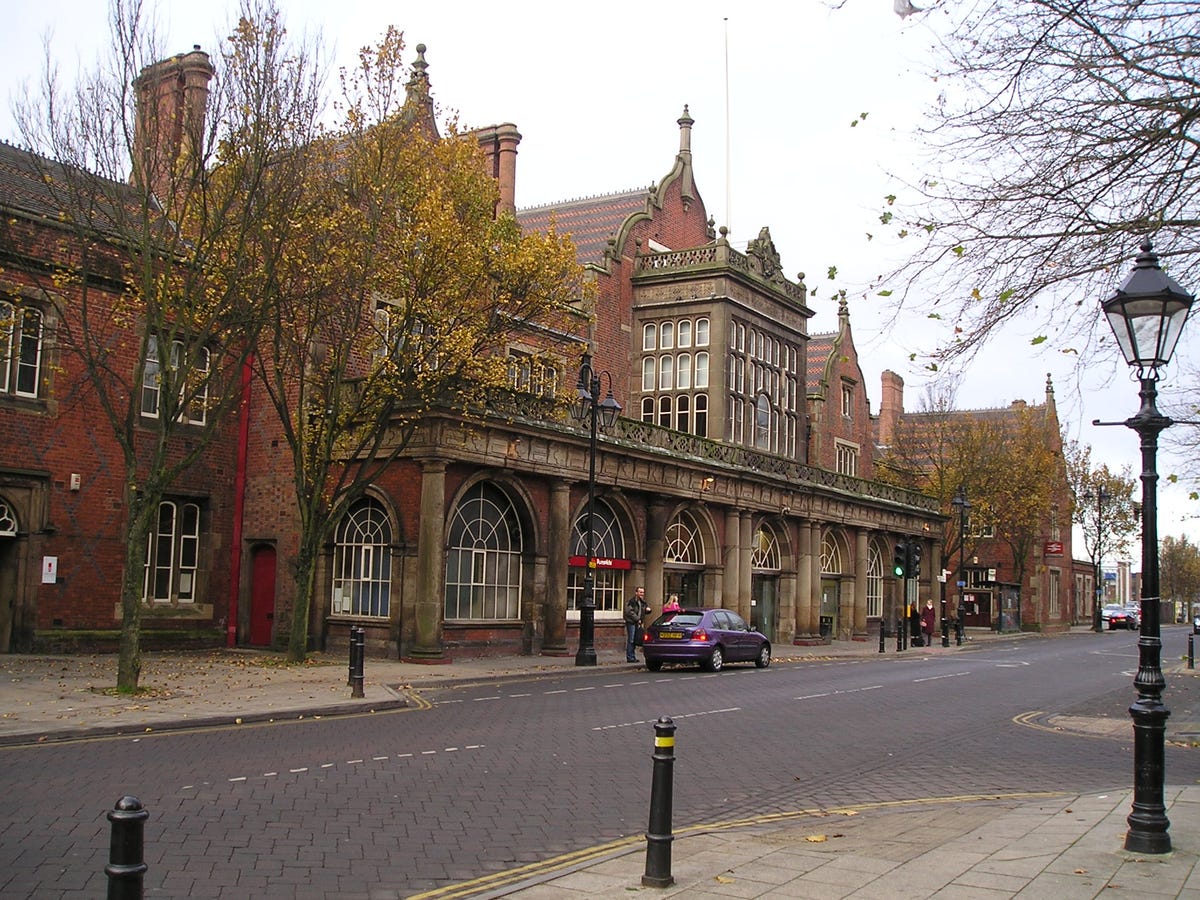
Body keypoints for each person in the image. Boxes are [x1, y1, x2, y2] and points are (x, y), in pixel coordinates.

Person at [624, 586, 649, 663]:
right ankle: (630, 657)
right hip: (631, 622)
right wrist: (637, 619)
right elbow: (629, 612)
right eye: (640, 592)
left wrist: (648, 610)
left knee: (635, 640)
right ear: (636, 593)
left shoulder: (643, 602)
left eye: (643, 592)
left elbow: (643, 611)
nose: (642, 594)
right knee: (631, 640)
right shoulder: (631, 601)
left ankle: (633, 657)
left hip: (638, 623)